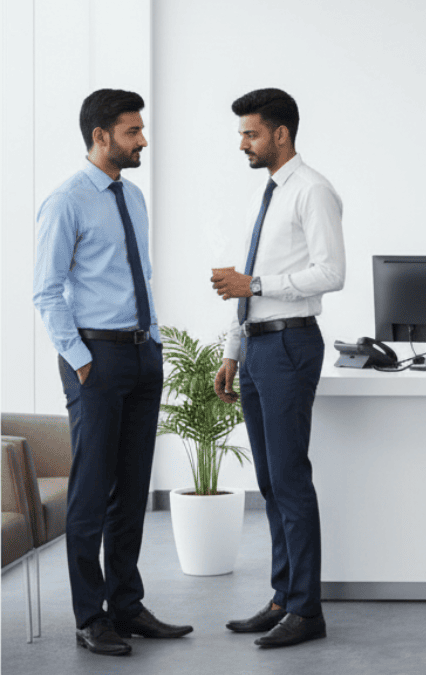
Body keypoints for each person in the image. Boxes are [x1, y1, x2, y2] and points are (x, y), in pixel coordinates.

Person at [33, 89, 193, 656]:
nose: (142, 139)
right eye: (133, 131)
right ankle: (90, 615)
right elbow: (46, 292)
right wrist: (80, 361)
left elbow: (137, 276)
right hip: (95, 359)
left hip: (141, 354)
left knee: (131, 490)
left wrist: (153, 342)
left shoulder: (134, 195)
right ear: (101, 137)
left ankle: (127, 605)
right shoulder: (66, 201)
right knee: (93, 488)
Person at [211, 88, 345, 648]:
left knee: (290, 480)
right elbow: (247, 280)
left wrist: (257, 286)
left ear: (281, 134)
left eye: (251, 133)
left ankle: (306, 610)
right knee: (270, 481)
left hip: (291, 345)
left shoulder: (312, 191)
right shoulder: (265, 194)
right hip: (260, 346)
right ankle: (282, 597)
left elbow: (331, 272)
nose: (242, 142)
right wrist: (233, 348)